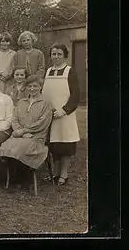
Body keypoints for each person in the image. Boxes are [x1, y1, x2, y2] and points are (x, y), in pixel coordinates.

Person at [0, 75, 53, 187]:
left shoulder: (46, 103)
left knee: (20, 147)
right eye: (29, 86)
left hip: (36, 137)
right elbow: (15, 120)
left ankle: (24, 177)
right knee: (6, 146)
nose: (32, 89)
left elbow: (42, 123)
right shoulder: (21, 102)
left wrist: (23, 131)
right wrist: (20, 132)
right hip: (20, 136)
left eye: (35, 86)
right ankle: (14, 176)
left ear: (41, 87)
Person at [41, 43, 80, 186]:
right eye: (53, 54)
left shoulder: (70, 72)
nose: (56, 56)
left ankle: (64, 174)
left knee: (66, 146)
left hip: (65, 116)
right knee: (54, 146)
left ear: (64, 55)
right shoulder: (48, 71)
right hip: (50, 115)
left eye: (59, 54)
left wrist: (64, 110)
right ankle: (55, 173)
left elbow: (75, 95)